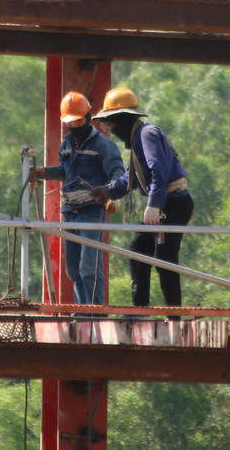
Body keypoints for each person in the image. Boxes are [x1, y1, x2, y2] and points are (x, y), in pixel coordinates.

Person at [94, 86, 194, 308]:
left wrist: (154, 205)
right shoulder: (138, 139)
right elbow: (133, 178)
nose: (109, 128)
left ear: (120, 119)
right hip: (165, 203)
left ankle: (173, 315)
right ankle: (139, 311)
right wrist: (106, 191)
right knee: (139, 250)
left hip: (173, 203)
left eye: (110, 122)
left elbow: (158, 171)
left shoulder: (146, 134)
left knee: (165, 257)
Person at [30, 91, 125, 306]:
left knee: (88, 267)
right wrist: (43, 173)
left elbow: (118, 173)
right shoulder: (66, 145)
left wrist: (113, 195)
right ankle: (82, 313)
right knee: (73, 269)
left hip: (92, 211)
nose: (73, 126)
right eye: (69, 122)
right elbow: (66, 171)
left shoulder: (103, 145)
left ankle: (94, 314)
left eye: (78, 121)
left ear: (88, 118)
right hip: (70, 212)